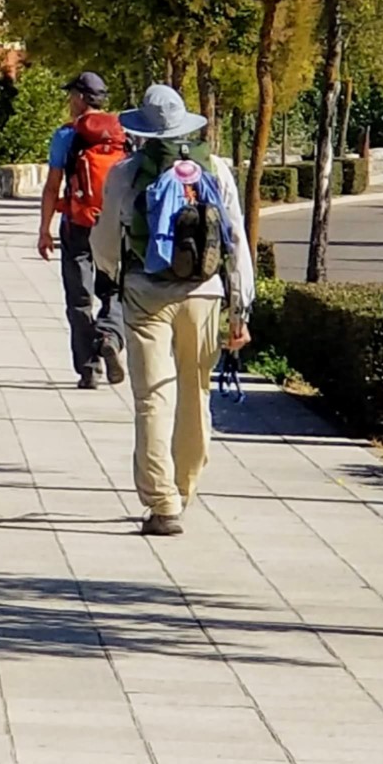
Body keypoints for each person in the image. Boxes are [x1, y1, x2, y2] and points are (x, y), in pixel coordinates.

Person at [90, 84, 255, 536]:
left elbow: (104, 241)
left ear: (143, 129)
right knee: (195, 392)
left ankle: (162, 503)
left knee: (151, 398)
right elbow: (235, 241)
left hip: (147, 291)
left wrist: (115, 276)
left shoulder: (126, 173)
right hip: (205, 293)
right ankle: (185, 487)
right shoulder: (215, 169)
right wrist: (240, 307)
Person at [38, 71, 129, 389]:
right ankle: (110, 336)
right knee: (116, 290)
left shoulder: (67, 135)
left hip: (77, 224)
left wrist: (44, 230)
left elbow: (52, 187)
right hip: (115, 226)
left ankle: (89, 370)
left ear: (79, 97)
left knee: (79, 299)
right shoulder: (123, 132)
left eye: (71, 95)